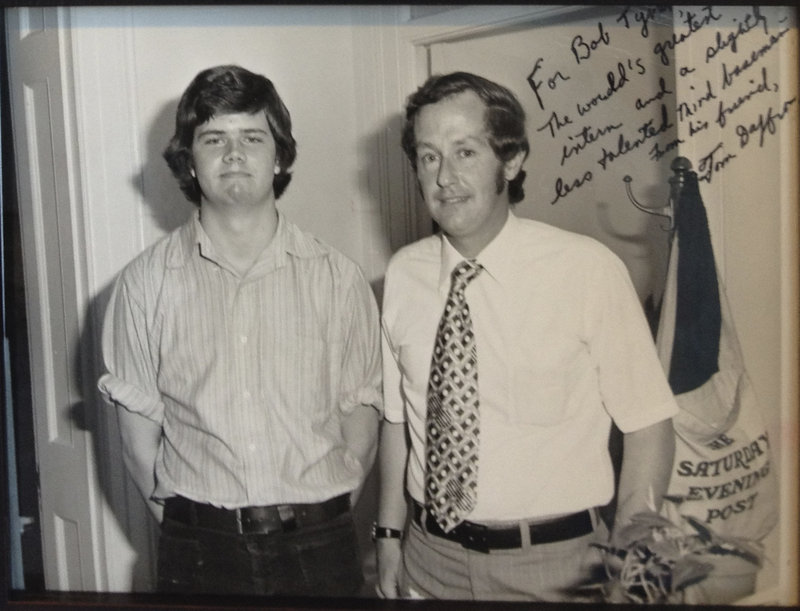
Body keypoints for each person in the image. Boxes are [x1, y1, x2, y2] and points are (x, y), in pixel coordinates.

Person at [375, 71, 678, 602]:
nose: (444, 177)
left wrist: (632, 567)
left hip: (558, 566)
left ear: (510, 161)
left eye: (465, 152)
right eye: (429, 156)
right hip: (429, 560)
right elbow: (398, 422)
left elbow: (649, 427)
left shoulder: (586, 269)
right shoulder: (402, 274)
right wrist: (388, 537)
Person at [98, 65, 381, 597]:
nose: (233, 154)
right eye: (213, 139)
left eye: (252, 137)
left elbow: (360, 436)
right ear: (189, 160)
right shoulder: (143, 285)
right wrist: (198, 531)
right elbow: (139, 450)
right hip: (199, 551)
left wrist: (312, 516)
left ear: (280, 156)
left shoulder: (338, 279)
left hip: (321, 549)